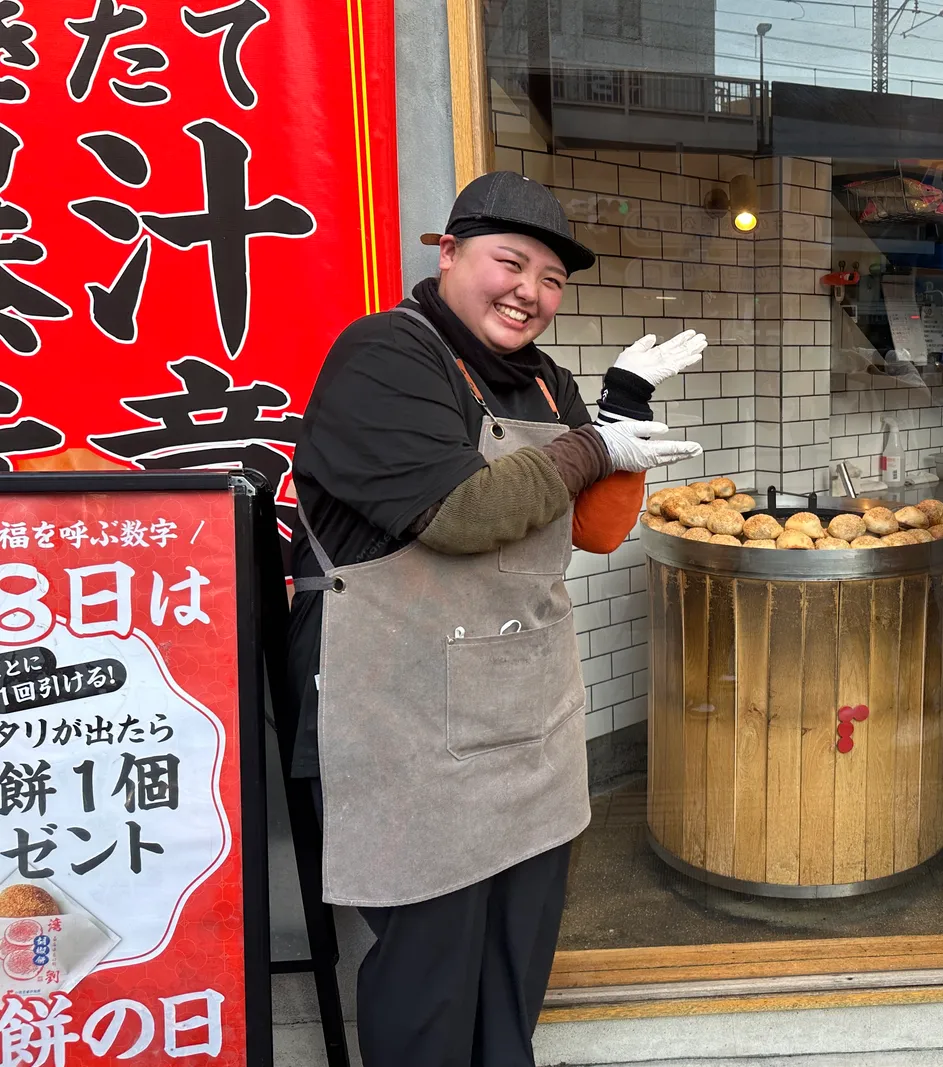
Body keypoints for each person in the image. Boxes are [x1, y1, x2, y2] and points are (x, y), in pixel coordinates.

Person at [284, 171, 706, 1067]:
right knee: (429, 980)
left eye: (552, 279)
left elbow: (594, 530)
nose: (531, 292)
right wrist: (595, 442)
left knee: (516, 967)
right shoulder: (385, 357)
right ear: (449, 253)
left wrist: (620, 409)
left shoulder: (547, 384)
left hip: (524, 720)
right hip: (402, 719)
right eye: (510, 263)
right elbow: (463, 514)